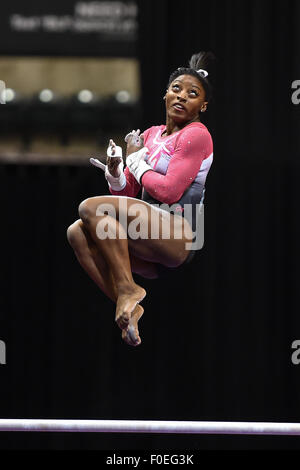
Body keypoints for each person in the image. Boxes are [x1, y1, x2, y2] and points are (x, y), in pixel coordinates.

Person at [67, 51, 214, 347]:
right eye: (176, 89)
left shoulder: (197, 135)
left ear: (203, 105)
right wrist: (116, 173)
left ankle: (128, 289)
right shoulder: (150, 135)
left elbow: (169, 192)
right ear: (165, 94)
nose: (182, 96)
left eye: (192, 93)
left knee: (88, 207)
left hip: (180, 235)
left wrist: (135, 161)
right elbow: (128, 196)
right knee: (78, 232)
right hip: (146, 237)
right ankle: (131, 306)